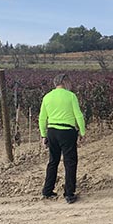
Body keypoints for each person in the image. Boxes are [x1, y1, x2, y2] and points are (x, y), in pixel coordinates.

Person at [39, 73, 86, 204]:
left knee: (53, 161)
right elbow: (79, 115)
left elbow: (42, 118)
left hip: (52, 131)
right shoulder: (71, 96)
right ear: (65, 82)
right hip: (67, 131)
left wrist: (44, 135)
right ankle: (69, 193)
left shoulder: (47, 97)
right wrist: (82, 132)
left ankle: (47, 190)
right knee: (70, 162)